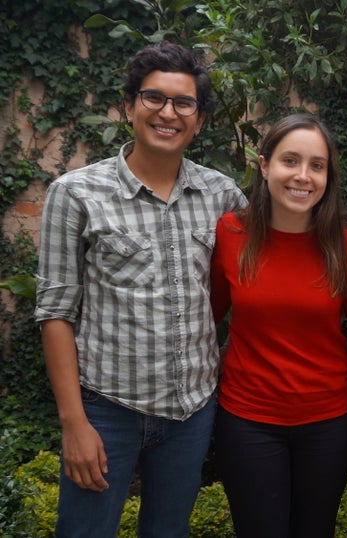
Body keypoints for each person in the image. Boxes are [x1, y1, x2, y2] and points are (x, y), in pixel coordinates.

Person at [33, 42, 247, 537]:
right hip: (106, 408)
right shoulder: (76, 193)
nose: (167, 113)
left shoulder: (223, 196)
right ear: (128, 107)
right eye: (154, 98)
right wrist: (73, 422)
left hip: (191, 411)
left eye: (183, 103)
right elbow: (55, 311)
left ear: (199, 119)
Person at [210, 113, 347, 538]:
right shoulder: (230, 234)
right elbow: (206, 320)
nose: (303, 176)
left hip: (328, 424)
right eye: (290, 161)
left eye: (317, 165)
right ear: (264, 166)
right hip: (247, 421)